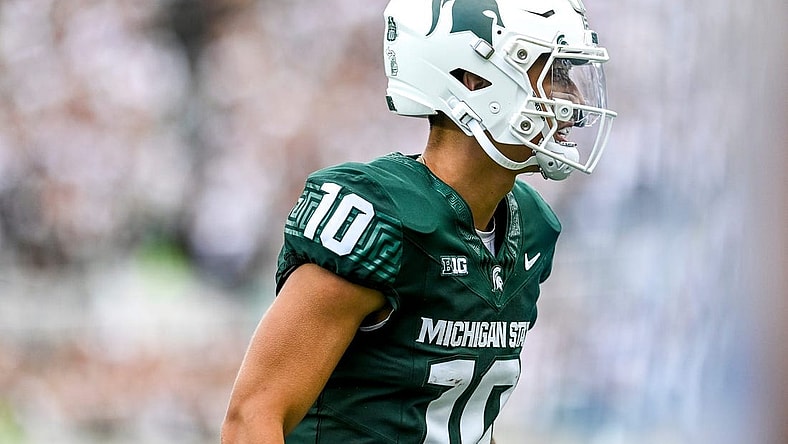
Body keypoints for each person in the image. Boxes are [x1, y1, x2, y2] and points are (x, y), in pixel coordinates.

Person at [221, 0, 616, 442]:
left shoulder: (533, 228)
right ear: (474, 79)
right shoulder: (379, 216)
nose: (573, 98)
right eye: (554, 74)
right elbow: (253, 417)